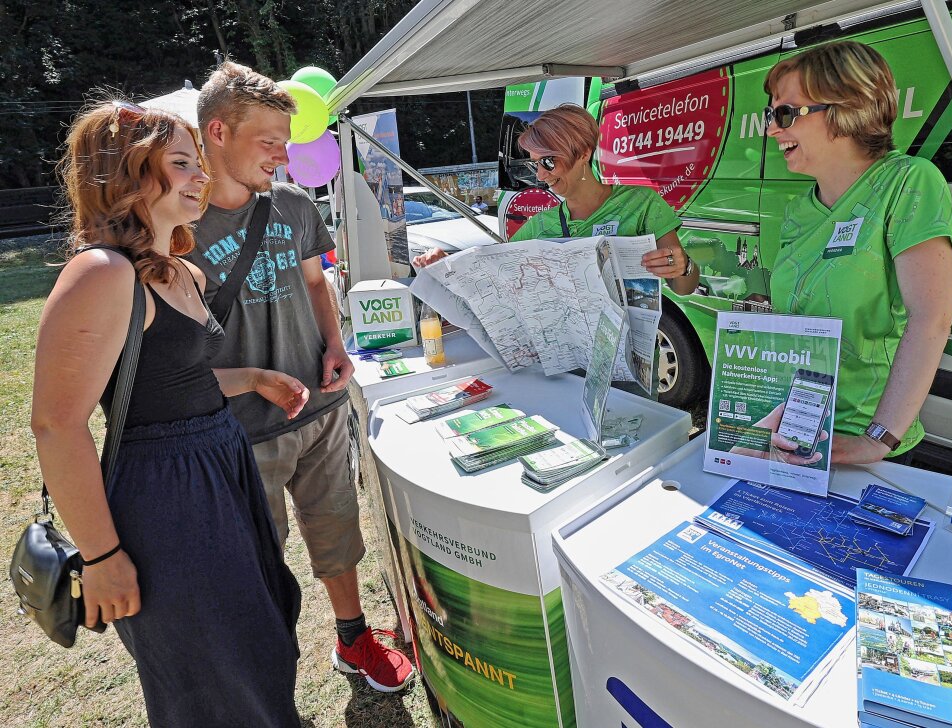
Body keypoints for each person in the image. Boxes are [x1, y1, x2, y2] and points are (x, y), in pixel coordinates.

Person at [31, 100, 308, 726]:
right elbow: (57, 424)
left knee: (261, 639)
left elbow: (169, 376)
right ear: (127, 173)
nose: (200, 176)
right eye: (180, 163)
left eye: (197, 162)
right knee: (212, 676)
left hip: (220, 466)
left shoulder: (181, 270)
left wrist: (251, 378)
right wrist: (101, 559)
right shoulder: (102, 273)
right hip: (165, 490)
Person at [192, 61, 414, 692]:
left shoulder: (291, 203)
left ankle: (354, 640)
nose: (283, 158)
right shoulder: (177, 225)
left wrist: (336, 345)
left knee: (338, 536)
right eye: (268, 143)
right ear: (216, 133)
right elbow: (167, 354)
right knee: (256, 561)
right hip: (240, 432)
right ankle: (267, 667)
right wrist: (251, 378)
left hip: (319, 412)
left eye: (287, 145)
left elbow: (318, 283)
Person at [763, 41, 952, 465]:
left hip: (868, 445)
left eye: (785, 114)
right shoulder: (799, 209)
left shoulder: (909, 182)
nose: (772, 130)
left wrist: (878, 439)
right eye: (770, 114)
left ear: (847, 108)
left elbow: (932, 320)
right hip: (800, 432)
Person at [414, 104, 700, 297]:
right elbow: (492, 274)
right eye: (535, 163)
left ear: (584, 153)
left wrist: (683, 266)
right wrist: (446, 264)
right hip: (567, 366)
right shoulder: (539, 226)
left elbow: (684, 286)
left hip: (631, 361)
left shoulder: (642, 203)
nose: (540, 174)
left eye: (548, 161)